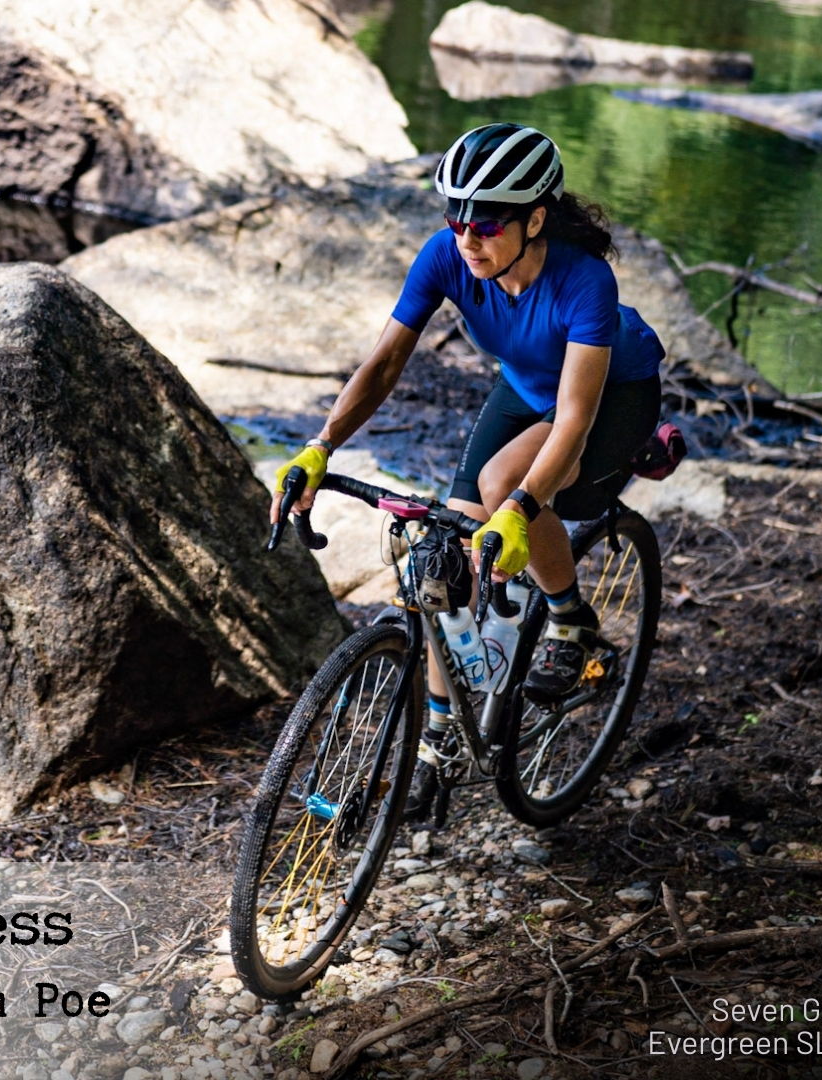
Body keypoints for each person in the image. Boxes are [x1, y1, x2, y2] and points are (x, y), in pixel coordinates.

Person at [270, 123, 663, 713]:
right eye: (457, 222)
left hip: (612, 394)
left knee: (504, 485)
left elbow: (575, 421)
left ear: (534, 219)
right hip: (528, 386)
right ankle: (439, 731)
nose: (466, 241)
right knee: (442, 566)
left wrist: (521, 509)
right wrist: (319, 446)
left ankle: (570, 619)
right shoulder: (447, 256)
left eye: (484, 225)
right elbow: (381, 368)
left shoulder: (585, 280)